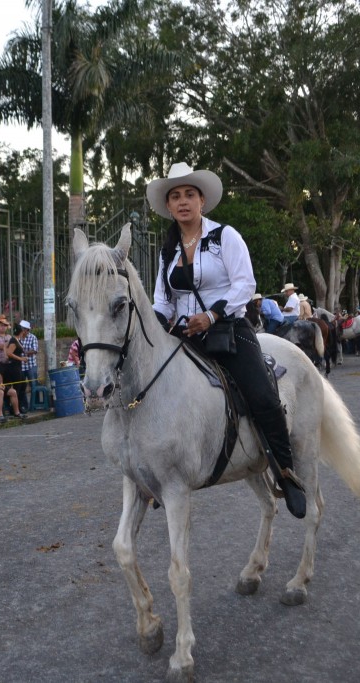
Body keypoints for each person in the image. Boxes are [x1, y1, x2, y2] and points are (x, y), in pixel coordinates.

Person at [147, 162, 306, 518]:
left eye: (190, 194)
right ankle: (161, 471)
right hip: (185, 336)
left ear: (202, 200)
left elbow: (245, 284)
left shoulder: (224, 237)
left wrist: (212, 315)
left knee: (263, 396)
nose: (183, 201)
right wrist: (153, 325)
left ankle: (286, 472)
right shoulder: (168, 250)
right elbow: (162, 301)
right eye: (176, 196)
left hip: (228, 331)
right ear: (169, 206)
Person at [2, 327, 29, 416]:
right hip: (13, 367)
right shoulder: (13, 341)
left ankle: (19, 406)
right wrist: (21, 358)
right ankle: (14, 409)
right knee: (17, 387)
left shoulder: (17, 340)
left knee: (23, 385)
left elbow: (5, 346)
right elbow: (9, 353)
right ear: (21, 332)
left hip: (18, 366)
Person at [17, 319, 39, 384]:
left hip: (31, 365)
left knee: (34, 384)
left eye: (23, 329)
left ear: (27, 330)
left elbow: (35, 350)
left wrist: (24, 352)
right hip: (20, 365)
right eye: (21, 328)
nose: (21, 330)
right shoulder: (17, 337)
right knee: (21, 385)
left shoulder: (33, 337)